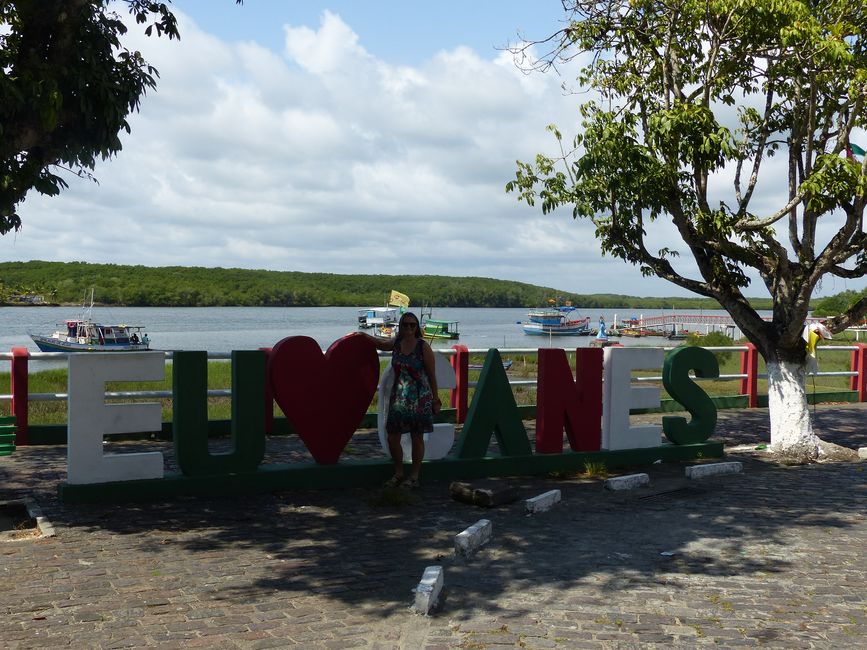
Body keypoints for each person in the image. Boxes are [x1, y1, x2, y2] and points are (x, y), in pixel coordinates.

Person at [357, 312, 440, 488]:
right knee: (392, 437)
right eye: (406, 325)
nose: (409, 328)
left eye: (413, 325)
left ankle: (415, 476)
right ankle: (399, 472)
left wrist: (435, 398)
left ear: (417, 328)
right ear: (400, 327)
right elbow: (380, 343)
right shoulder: (396, 344)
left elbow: (432, 375)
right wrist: (361, 335)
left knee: (417, 437)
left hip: (419, 397)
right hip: (400, 398)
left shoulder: (423, 347)